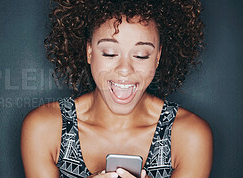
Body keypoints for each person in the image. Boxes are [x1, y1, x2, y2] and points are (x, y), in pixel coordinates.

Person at [21, 0, 213, 177]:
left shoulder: (190, 136)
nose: (124, 70)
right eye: (110, 53)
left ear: (158, 56)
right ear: (89, 51)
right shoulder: (45, 128)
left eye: (141, 55)